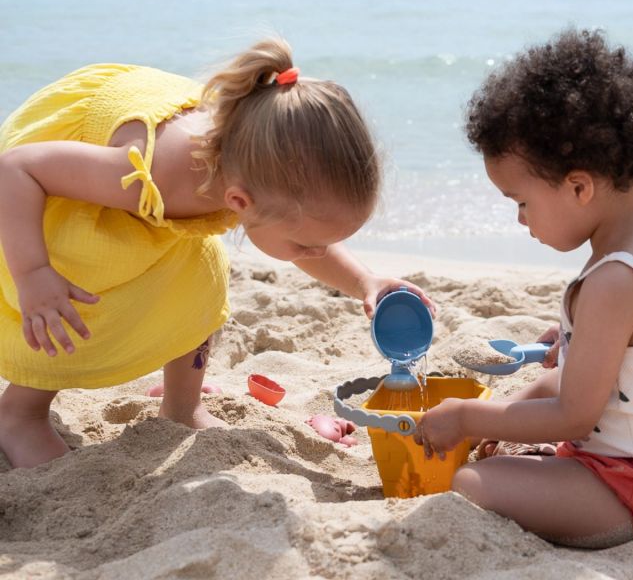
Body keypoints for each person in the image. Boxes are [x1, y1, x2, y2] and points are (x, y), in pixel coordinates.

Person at [0, 36, 433, 469]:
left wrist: (364, 281)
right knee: (87, 280)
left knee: (199, 282)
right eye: (307, 245)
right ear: (240, 204)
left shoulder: (258, 172)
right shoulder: (148, 170)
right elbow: (17, 168)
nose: (318, 252)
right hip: (48, 195)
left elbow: (303, 240)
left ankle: (181, 408)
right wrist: (35, 272)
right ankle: (21, 413)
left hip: (159, 194)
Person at [415, 29, 633, 548]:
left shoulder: (612, 283)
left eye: (520, 201)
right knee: (547, 385)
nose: (520, 219)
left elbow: (575, 414)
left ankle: (624, 520)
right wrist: (577, 343)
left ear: (579, 187)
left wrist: (468, 419)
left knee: (473, 483)